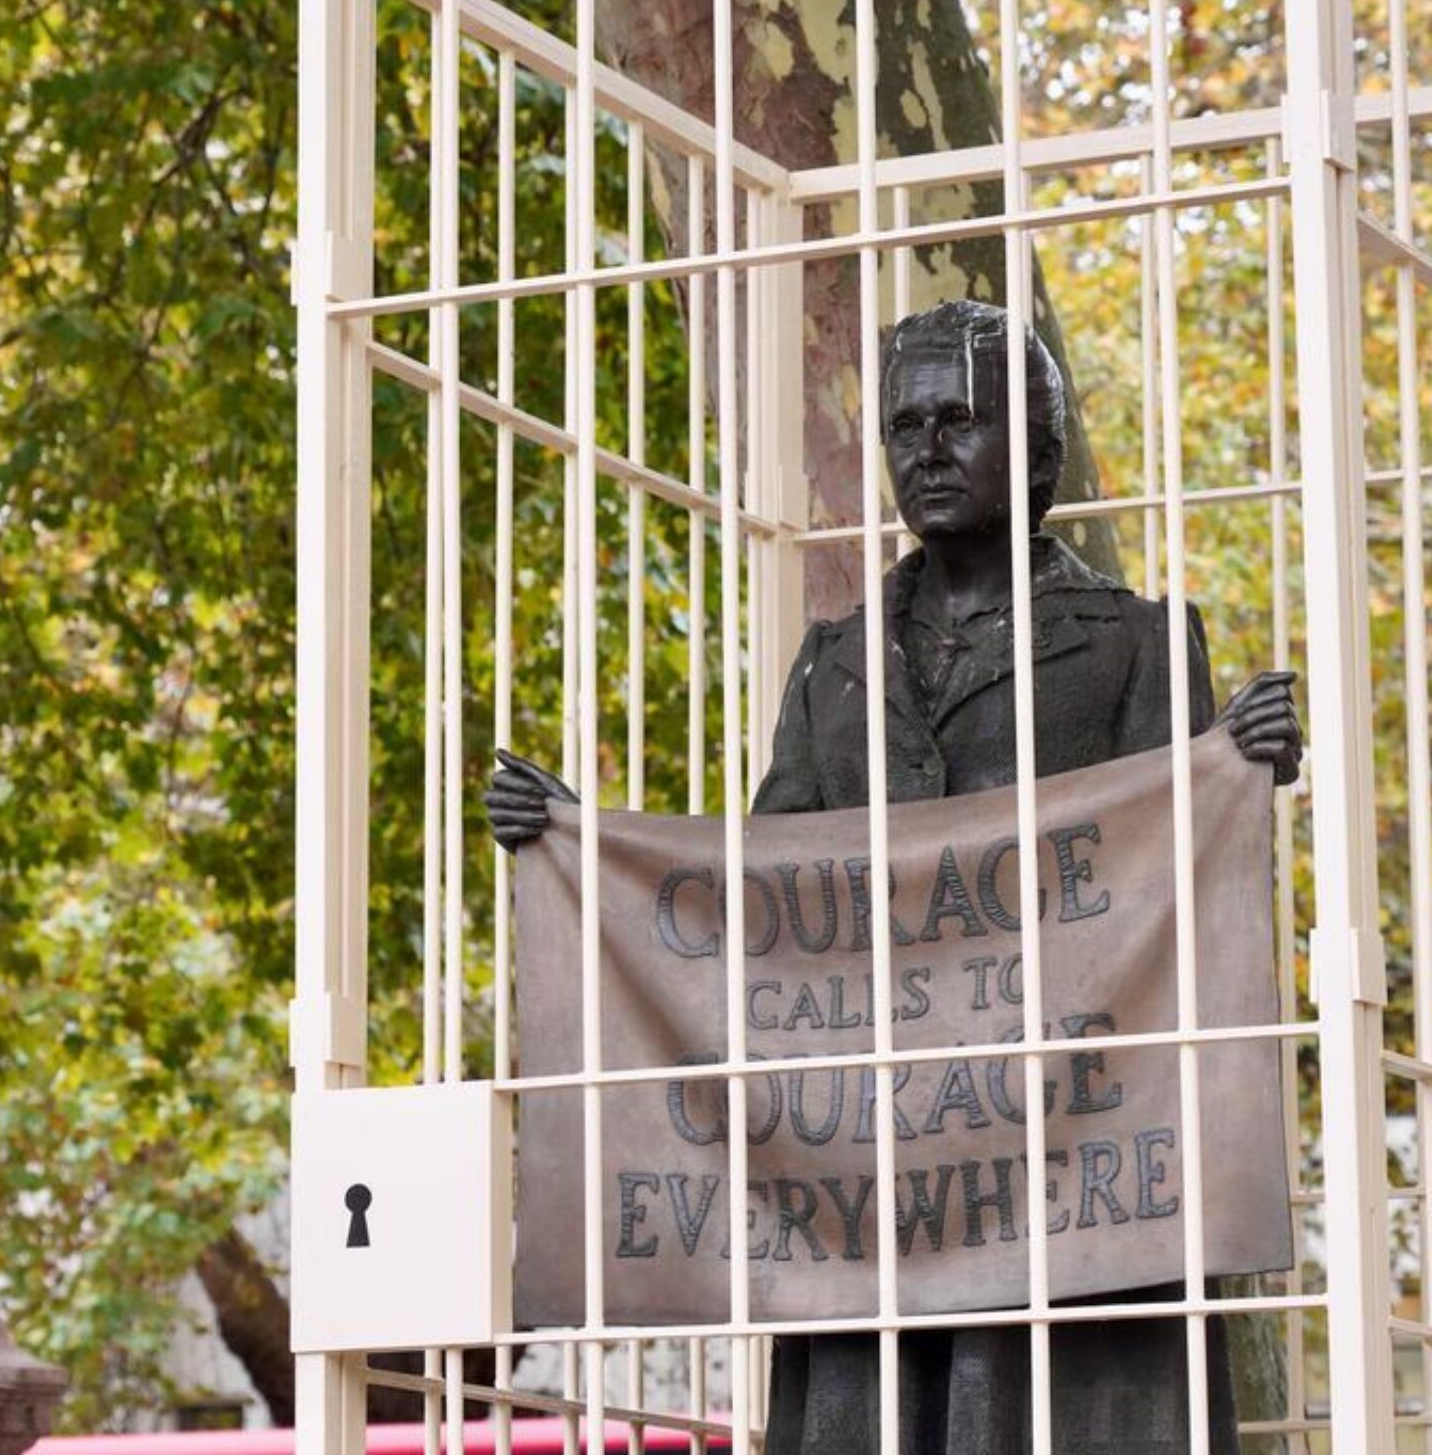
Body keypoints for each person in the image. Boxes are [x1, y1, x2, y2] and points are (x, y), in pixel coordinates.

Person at [489, 298, 1300, 1455]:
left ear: (1038, 449)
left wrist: (1241, 765)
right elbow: (760, 907)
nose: (924, 446)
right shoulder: (835, 666)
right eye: (904, 422)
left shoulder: (1136, 642)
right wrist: (579, 847)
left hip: (1073, 1179)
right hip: (870, 1184)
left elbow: (1182, 883)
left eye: (961, 418)